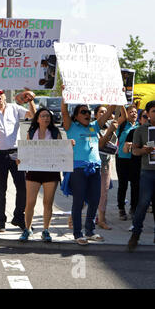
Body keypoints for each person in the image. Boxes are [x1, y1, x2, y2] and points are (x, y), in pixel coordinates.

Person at [0, 89, 36, 232]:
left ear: (5, 96)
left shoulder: (15, 108)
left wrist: (30, 100)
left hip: (16, 152)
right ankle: (1, 221)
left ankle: (18, 217)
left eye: (0, 94)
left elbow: (33, 116)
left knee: (22, 187)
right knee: (1, 189)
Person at [61, 97, 115, 245]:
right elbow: (64, 112)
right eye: (83, 111)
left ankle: (90, 231)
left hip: (95, 167)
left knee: (94, 200)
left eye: (89, 112)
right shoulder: (71, 127)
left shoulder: (94, 126)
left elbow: (110, 110)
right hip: (78, 168)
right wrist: (65, 95)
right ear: (76, 115)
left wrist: (119, 94)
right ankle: (78, 233)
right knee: (78, 202)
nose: (87, 114)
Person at [18, 108, 61, 242]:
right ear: (37, 119)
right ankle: (27, 229)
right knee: (30, 202)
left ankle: (46, 230)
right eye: (43, 116)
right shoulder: (31, 132)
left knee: (47, 203)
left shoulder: (55, 132)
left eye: (48, 116)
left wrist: (69, 145)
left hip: (51, 171)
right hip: (34, 170)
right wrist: (21, 159)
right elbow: (26, 151)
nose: (46, 118)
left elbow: (61, 150)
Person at [128, 100, 155, 251]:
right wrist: (144, 151)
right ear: (148, 113)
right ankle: (135, 234)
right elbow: (135, 151)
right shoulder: (141, 130)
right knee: (143, 203)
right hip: (148, 172)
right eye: (154, 111)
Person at [123, 110, 150, 231]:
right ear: (140, 119)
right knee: (136, 190)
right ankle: (134, 214)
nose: (147, 119)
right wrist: (131, 146)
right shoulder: (135, 131)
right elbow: (127, 150)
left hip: (150, 167)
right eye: (144, 116)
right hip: (136, 165)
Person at [94, 105, 119, 230]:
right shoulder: (92, 128)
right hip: (94, 165)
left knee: (104, 194)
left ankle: (102, 219)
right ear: (95, 115)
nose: (105, 114)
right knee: (89, 193)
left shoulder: (111, 126)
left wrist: (120, 99)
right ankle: (72, 218)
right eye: (101, 112)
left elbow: (123, 116)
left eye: (106, 112)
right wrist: (109, 131)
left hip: (106, 166)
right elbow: (100, 145)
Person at [115, 105, 139, 220]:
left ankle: (133, 208)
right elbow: (122, 116)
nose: (134, 114)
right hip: (122, 158)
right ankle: (121, 208)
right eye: (131, 112)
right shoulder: (122, 125)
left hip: (135, 159)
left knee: (135, 185)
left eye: (135, 112)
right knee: (123, 185)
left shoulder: (140, 126)